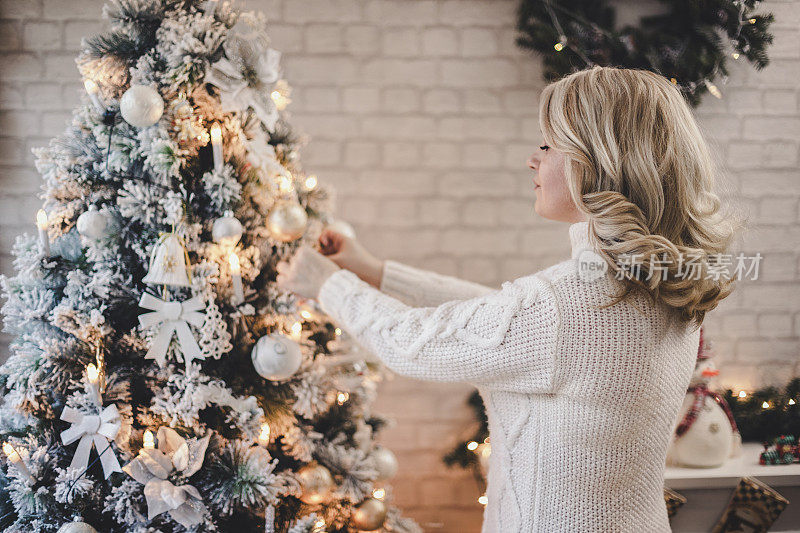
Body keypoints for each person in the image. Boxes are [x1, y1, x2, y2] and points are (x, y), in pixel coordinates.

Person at [276, 65, 743, 532]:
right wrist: (375, 272)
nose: (532, 160)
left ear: (598, 159)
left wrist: (326, 284)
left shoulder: (567, 304)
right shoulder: (662, 281)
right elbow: (501, 318)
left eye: (548, 144)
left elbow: (412, 341)